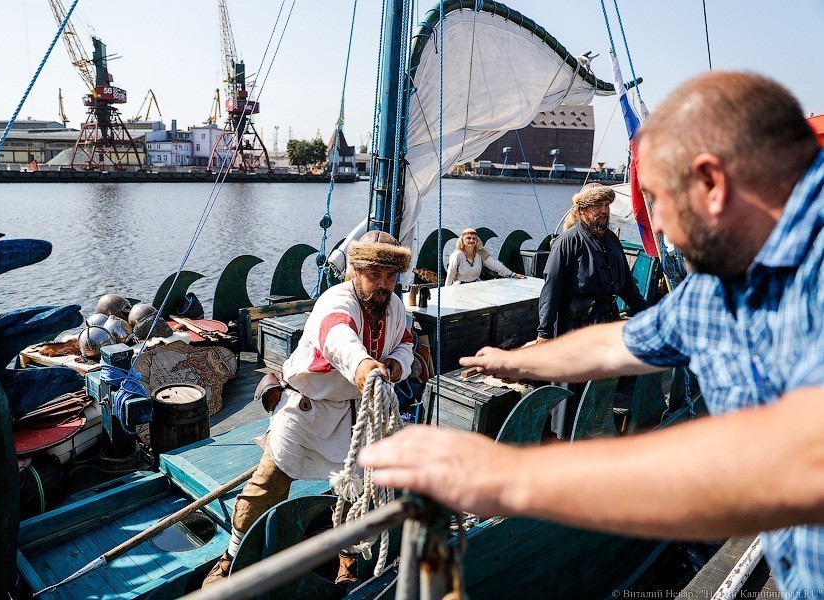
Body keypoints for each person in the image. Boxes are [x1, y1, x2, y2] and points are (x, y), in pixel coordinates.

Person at [358, 72, 824, 595]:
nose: (657, 228)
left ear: (711, 184)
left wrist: (509, 478)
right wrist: (523, 360)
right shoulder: (725, 280)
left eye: (656, 202)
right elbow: (621, 341)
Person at [203, 230, 414, 588]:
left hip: (355, 411)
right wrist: (364, 365)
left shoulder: (395, 307)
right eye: (375, 274)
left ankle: (346, 554)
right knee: (269, 480)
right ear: (356, 271)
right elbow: (338, 338)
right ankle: (232, 555)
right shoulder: (336, 301)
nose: (383, 284)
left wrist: (396, 364)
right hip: (305, 407)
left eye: (390, 276)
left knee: (355, 487)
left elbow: (405, 342)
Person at [537, 184, 648, 437]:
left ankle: (593, 432)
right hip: (575, 325)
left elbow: (627, 286)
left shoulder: (611, 240)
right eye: (598, 206)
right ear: (583, 210)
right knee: (571, 384)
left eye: (607, 205)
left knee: (600, 382)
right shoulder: (568, 241)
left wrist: (647, 313)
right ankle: (564, 438)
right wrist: (544, 332)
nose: (605, 210)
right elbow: (551, 288)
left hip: (605, 322)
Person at [444, 228, 525, 285]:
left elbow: (495, 265)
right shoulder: (457, 255)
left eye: (474, 238)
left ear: (477, 240)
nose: (471, 240)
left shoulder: (480, 254)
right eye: (468, 238)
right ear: (463, 240)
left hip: (476, 285)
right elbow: (450, 275)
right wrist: (446, 292)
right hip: (460, 286)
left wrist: (512, 274)